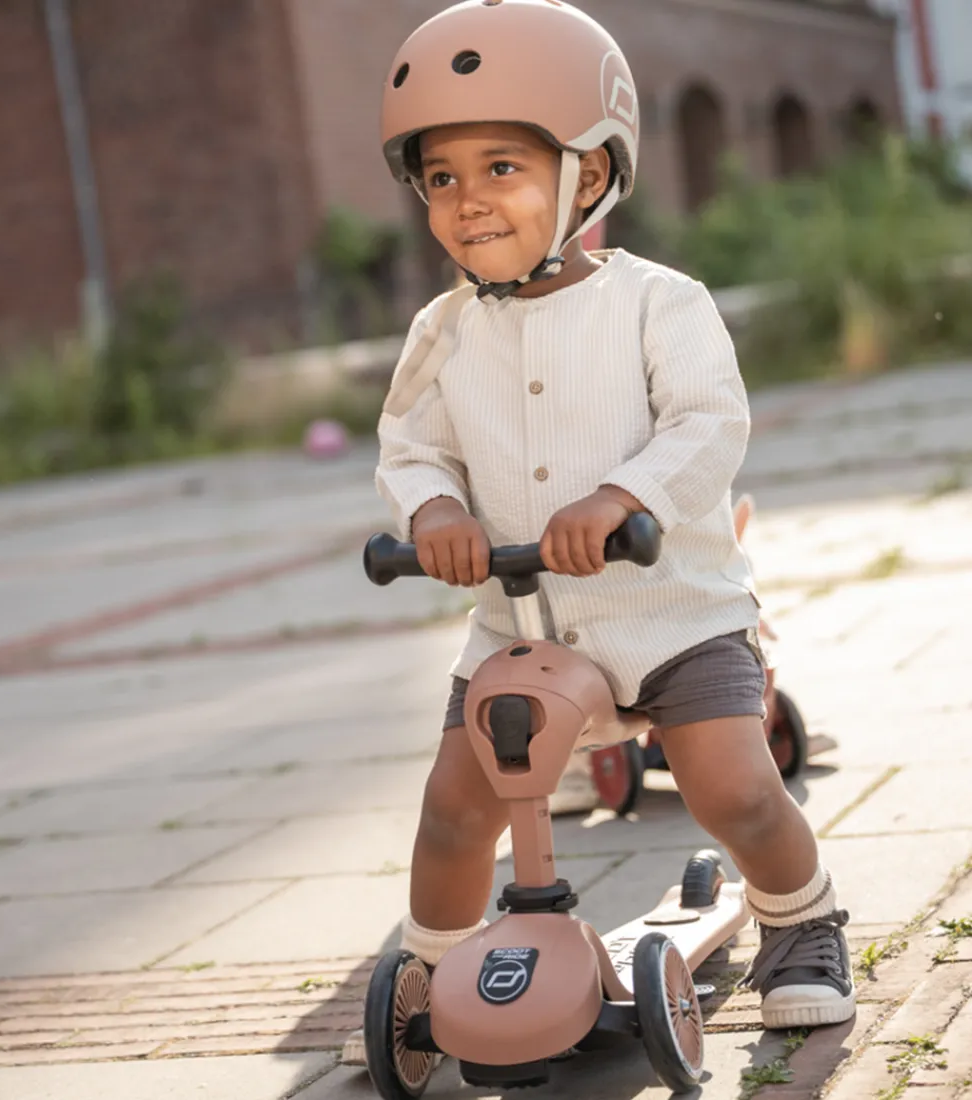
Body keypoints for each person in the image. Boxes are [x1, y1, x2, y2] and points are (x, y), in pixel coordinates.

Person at [343, 0, 853, 1066]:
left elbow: (708, 423)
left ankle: (801, 919)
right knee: (450, 810)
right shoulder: (440, 331)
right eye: (441, 177)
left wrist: (622, 496)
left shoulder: (658, 303)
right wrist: (431, 509)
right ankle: (430, 970)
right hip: (515, 628)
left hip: (668, 618)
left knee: (732, 783)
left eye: (501, 167)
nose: (467, 200)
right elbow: (411, 443)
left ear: (589, 171)